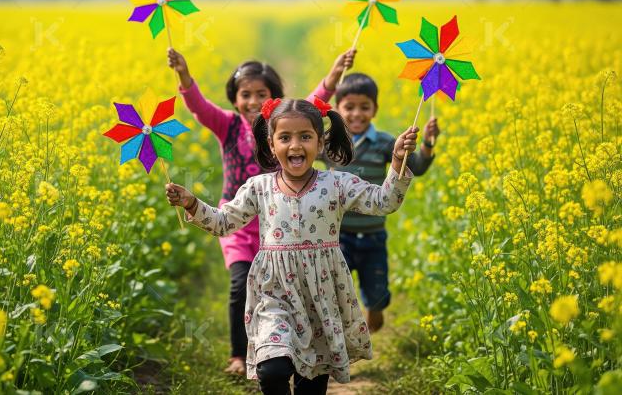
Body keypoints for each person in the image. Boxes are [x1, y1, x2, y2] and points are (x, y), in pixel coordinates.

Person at [165, 97, 418, 393]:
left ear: (320, 144)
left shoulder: (337, 184)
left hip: (320, 297)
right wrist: (192, 203)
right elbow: (223, 223)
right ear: (272, 145)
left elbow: (384, 201)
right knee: (271, 370)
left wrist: (398, 161)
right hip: (274, 294)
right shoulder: (258, 188)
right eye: (285, 137)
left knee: (311, 385)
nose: (295, 146)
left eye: (305, 137)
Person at [167, 48, 354, 375]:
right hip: (238, 222)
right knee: (240, 285)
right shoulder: (226, 125)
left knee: (281, 289)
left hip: (280, 219)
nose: (253, 101)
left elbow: (313, 103)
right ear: (234, 98)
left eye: (261, 94)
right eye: (245, 94)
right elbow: (198, 107)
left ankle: (290, 345)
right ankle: (239, 354)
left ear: (273, 97)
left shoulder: (283, 126)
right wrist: (183, 74)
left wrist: (334, 74)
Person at [331, 73, 440, 332]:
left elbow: (417, 168)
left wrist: (426, 143)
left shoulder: (384, 143)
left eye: (364, 107)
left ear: (375, 109)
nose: (357, 114)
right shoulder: (330, 141)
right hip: (338, 235)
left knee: (377, 294)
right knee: (334, 292)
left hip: (373, 235)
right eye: (349, 107)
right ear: (337, 109)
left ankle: (374, 308)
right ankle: (341, 336)